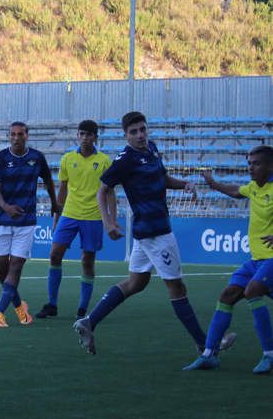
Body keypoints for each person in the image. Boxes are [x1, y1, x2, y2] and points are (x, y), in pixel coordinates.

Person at [72, 111, 214, 356]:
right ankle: (205, 345)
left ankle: (88, 322)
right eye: (134, 132)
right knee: (177, 288)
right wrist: (109, 223)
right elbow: (102, 190)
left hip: (147, 231)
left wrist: (184, 184)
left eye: (142, 129)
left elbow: (163, 177)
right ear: (126, 135)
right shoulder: (125, 160)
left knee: (136, 282)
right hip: (155, 233)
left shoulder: (152, 149)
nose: (140, 135)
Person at [183, 146, 273, 373]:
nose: (250, 167)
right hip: (256, 261)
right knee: (227, 295)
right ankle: (209, 354)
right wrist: (213, 184)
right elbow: (235, 191)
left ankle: (269, 355)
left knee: (253, 290)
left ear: (270, 166)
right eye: (249, 163)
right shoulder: (254, 188)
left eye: (256, 163)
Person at [36, 120, 111, 319]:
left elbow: (109, 191)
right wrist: (56, 215)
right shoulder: (68, 159)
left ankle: (82, 309)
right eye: (82, 133)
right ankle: (52, 304)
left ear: (96, 137)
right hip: (69, 214)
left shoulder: (104, 161)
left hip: (93, 216)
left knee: (87, 260)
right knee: (54, 254)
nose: (86, 137)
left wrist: (109, 219)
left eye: (90, 134)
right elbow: (63, 190)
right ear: (78, 135)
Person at [0, 122, 60, 328]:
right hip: (2, 220)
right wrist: (6, 206)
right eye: (13, 134)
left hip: (26, 222)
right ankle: (20, 308)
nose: (16, 137)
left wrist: (55, 203)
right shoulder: (0, 158)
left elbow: (48, 180)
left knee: (16, 266)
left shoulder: (37, 157)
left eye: (20, 134)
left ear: (27, 136)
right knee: (1, 267)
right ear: (9, 136)